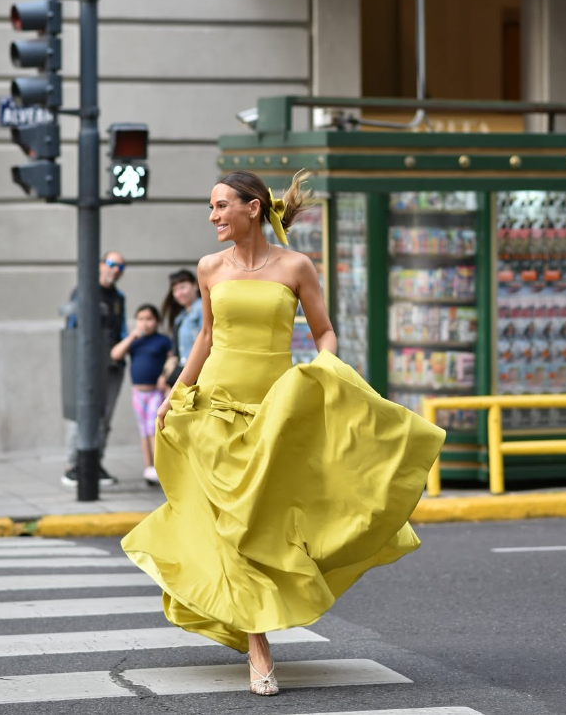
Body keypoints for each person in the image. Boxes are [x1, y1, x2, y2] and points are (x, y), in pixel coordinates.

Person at [122, 171, 445, 696]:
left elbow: (323, 331)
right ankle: (258, 647)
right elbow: (206, 336)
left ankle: (263, 626)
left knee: (265, 527)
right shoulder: (209, 268)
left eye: (222, 206)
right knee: (234, 529)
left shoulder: (295, 266)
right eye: (211, 207)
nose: (213, 216)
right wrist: (176, 394)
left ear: (254, 208)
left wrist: (325, 372)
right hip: (216, 411)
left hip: (275, 410)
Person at [61, 250, 127, 487]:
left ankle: (94, 463)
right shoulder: (84, 292)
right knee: (83, 416)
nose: (115, 270)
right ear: (100, 265)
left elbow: (122, 330)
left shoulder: (118, 298)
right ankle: (73, 466)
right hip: (89, 365)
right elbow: (71, 327)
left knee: (104, 419)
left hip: (113, 365)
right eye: (111, 264)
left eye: (121, 267)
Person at [110, 304, 172, 486]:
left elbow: (171, 358)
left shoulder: (162, 341)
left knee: (153, 429)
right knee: (144, 431)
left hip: (155, 392)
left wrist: (165, 375)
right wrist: (131, 337)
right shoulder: (134, 341)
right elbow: (115, 354)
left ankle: (159, 468)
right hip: (138, 393)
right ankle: (149, 468)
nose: (145, 323)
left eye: (149, 319)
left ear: (157, 321)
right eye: (141, 319)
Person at [158, 269, 202, 391]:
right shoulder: (180, 316)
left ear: (195, 286)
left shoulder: (202, 309)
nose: (179, 293)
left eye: (183, 287)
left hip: (199, 371)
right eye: (175, 290)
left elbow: (208, 339)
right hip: (184, 369)